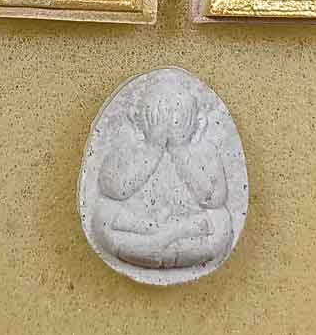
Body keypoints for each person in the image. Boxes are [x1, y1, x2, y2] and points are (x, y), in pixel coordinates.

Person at [93, 89, 233, 269]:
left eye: (179, 114)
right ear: (136, 120)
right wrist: (153, 148)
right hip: (140, 224)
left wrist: (179, 150)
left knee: (221, 219)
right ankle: (162, 239)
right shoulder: (125, 148)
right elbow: (113, 189)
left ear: (198, 123)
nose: (168, 122)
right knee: (103, 212)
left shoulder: (206, 151)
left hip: (188, 223)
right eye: (156, 115)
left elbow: (214, 198)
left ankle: (160, 243)